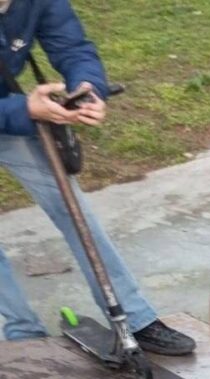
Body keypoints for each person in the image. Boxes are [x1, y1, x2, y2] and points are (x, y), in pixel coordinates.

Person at [0, 0, 194, 353]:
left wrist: (87, 88)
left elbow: (72, 47)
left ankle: (134, 318)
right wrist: (23, 109)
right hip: (12, 109)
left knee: (70, 205)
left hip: (9, 110)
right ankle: (24, 338)